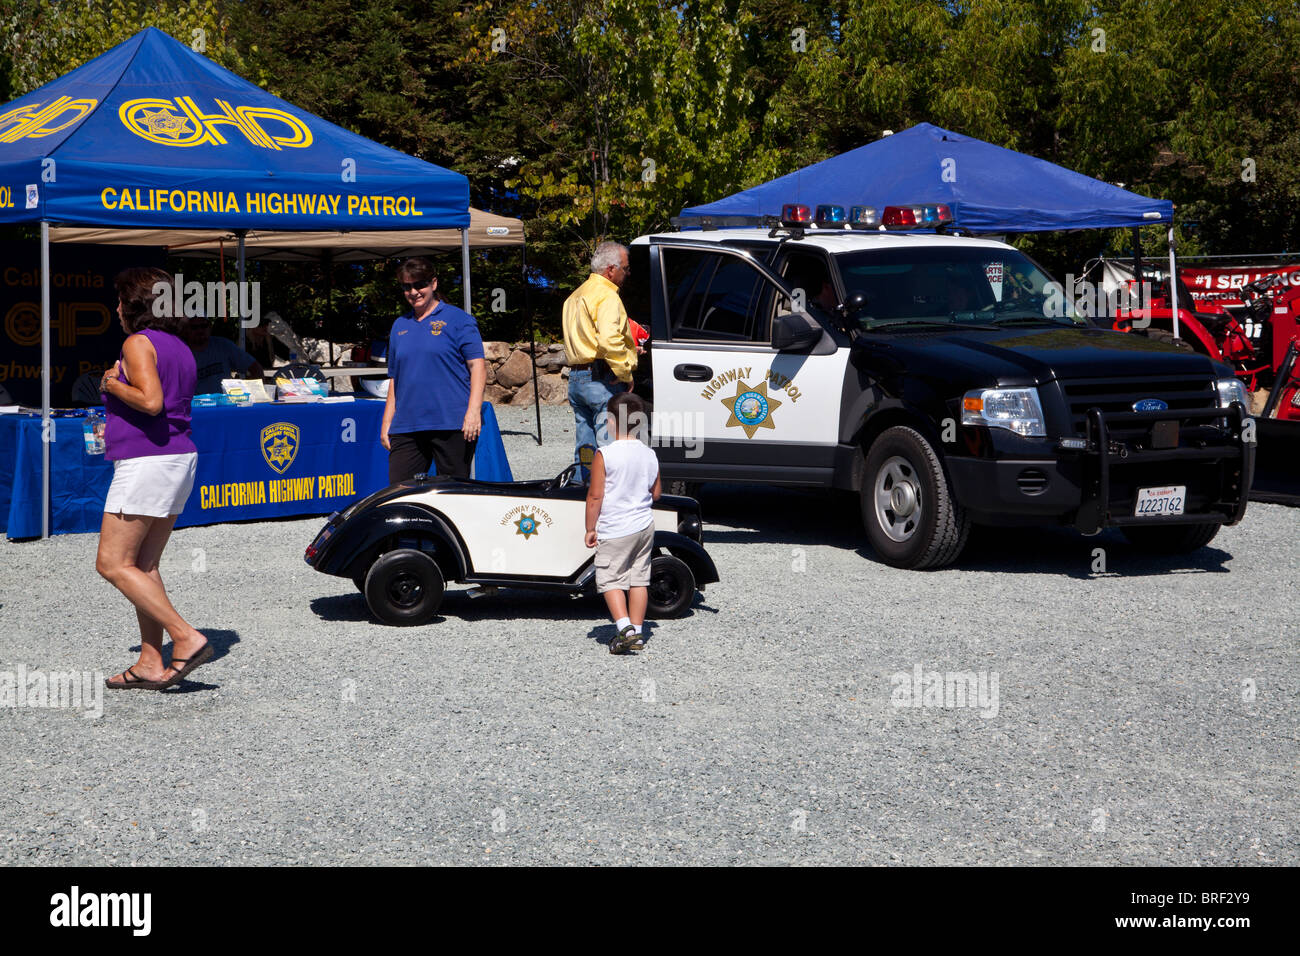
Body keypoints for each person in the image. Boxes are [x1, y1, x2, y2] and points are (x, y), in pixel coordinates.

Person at [97, 267, 212, 690]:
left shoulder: (137, 342)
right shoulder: (179, 346)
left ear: (134, 305)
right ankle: (149, 660)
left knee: (111, 563)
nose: (117, 309)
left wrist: (111, 383)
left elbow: (150, 401)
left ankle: (185, 636)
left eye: (121, 301)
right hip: (176, 456)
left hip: (148, 461)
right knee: (144, 565)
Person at [380, 257, 486, 482]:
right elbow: (394, 378)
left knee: (453, 495)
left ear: (433, 284)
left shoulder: (459, 320)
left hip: (451, 422)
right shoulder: (399, 325)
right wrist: (387, 421)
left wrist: (474, 411)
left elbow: (477, 365)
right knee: (401, 494)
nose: (414, 292)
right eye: (407, 287)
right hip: (407, 424)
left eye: (420, 285)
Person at [584, 391, 661, 655]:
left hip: (616, 527)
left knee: (611, 578)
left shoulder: (604, 454)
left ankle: (624, 627)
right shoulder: (649, 454)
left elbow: (595, 495)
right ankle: (638, 633)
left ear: (610, 421)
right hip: (644, 525)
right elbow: (656, 492)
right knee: (639, 578)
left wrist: (590, 528)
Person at [562, 241, 637, 464]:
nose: (627, 273)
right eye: (626, 268)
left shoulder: (575, 295)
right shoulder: (607, 296)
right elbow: (608, 340)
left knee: (585, 445)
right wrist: (625, 372)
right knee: (609, 445)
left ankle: (582, 487)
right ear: (611, 269)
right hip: (601, 378)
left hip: (577, 377)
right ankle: (610, 492)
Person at [185, 315, 264, 394]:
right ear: (187, 329)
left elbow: (256, 368)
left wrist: (251, 393)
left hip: (224, 404)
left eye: (204, 326)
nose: (200, 330)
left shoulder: (223, 345)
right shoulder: (180, 352)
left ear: (210, 327)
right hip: (194, 405)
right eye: (194, 327)